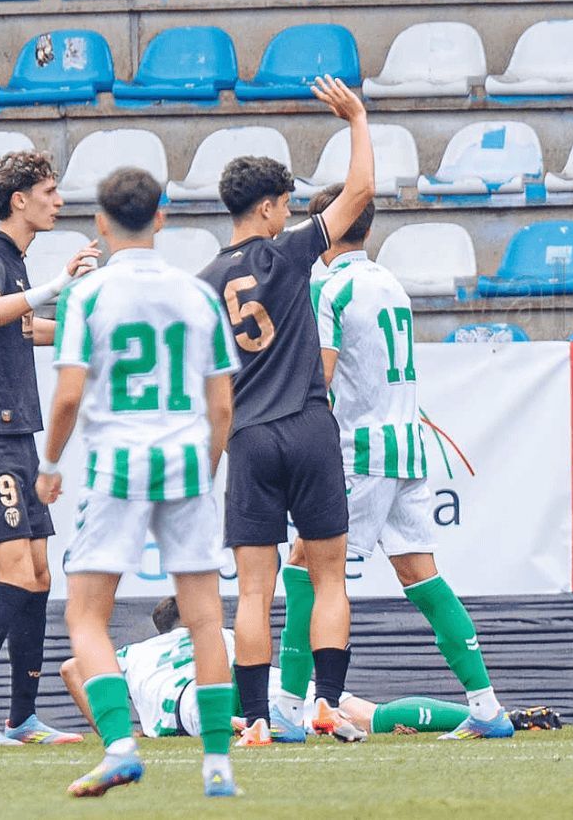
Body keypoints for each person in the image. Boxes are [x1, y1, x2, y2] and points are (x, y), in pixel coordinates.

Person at [273, 188, 510, 741]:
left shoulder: (328, 288)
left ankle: (296, 708)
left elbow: (321, 377)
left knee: (308, 564)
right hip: (408, 442)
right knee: (419, 572)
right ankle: (486, 706)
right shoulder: (389, 283)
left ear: (325, 227)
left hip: (361, 448)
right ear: (369, 230)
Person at [35, 167, 241, 798]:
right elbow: (224, 407)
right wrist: (204, 470)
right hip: (184, 459)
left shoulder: (86, 296)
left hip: (116, 463)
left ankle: (122, 747)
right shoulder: (197, 293)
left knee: (86, 616)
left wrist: (48, 466)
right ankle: (217, 766)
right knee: (206, 619)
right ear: (163, 216)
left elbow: (69, 395)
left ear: (99, 222)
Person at [197, 75, 375, 745]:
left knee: (252, 589)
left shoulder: (204, 283)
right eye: (287, 202)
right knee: (329, 574)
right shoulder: (292, 249)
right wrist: (356, 120)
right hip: (307, 423)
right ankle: (327, 704)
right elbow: (358, 195)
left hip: (249, 434)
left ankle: (256, 720)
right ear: (271, 207)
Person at [0, 150, 99, 747]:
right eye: (50, 191)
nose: (59, 200)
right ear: (19, 201)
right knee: (14, 575)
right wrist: (60, 284)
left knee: (38, 576)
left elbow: (26, 328)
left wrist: (95, 332)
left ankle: (22, 717)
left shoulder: (17, 266)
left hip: (16, 438)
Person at [59, 597, 485, 739]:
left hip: (188, 692)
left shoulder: (139, 652)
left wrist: (111, 732)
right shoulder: (222, 631)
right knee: (369, 714)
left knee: (224, 716)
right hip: (248, 670)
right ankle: (482, 716)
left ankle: (254, 727)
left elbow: (72, 668)